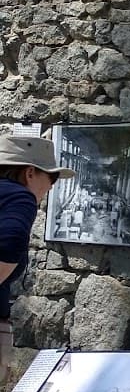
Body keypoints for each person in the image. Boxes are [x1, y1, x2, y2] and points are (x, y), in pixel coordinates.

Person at [0, 134, 76, 374]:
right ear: (30, 172)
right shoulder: (19, 196)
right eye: (51, 176)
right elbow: (9, 242)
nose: (52, 185)